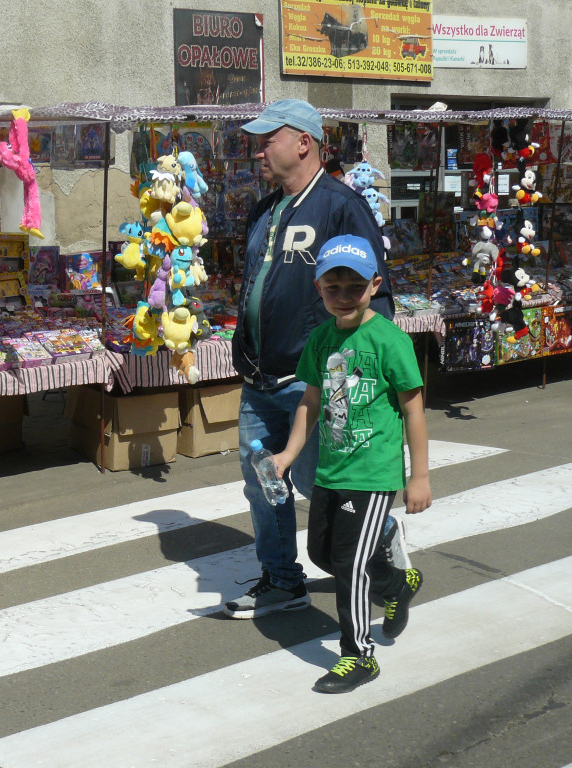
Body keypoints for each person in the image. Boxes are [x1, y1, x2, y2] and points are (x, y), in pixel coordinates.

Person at [225, 99, 398, 620]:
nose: (258, 150)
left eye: (267, 139)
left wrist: (365, 376)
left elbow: (376, 292)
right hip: (259, 378)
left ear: (303, 141)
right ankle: (282, 580)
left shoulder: (341, 205)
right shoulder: (265, 208)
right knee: (264, 484)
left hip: (319, 381)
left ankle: (384, 552)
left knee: (332, 484)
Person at [270, 235, 431, 693]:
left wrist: (418, 476)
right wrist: (289, 453)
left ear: (374, 286)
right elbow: (311, 401)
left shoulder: (389, 339)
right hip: (331, 471)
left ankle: (359, 655)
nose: (343, 296)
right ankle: (396, 583)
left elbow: (414, 409)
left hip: (374, 473)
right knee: (323, 554)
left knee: (348, 564)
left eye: (355, 287)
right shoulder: (321, 340)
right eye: (332, 286)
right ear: (318, 286)